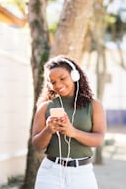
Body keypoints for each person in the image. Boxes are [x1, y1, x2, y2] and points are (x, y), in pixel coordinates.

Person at [32, 55, 107, 189]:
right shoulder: (45, 107)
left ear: (74, 75)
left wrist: (73, 132)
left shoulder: (94, 106)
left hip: (82, 173)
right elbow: (37, 145)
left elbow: (99, 140)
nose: (58, 85)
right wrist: (48, 130)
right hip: (50, 172)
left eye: (62, 78)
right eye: (53, 82)